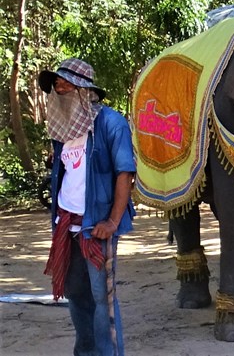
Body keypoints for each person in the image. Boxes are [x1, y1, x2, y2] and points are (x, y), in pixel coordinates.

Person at [38, 58, 135, 356]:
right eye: (56, 85)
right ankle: (86, 352)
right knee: (76, 294)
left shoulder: (111, 123)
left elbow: (124, 173)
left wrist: (113, 221)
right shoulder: (63, 129)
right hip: (67, 224)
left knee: (101, 297)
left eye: (66, 84)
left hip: (97, 225)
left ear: (85, 90)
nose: (59, 89)